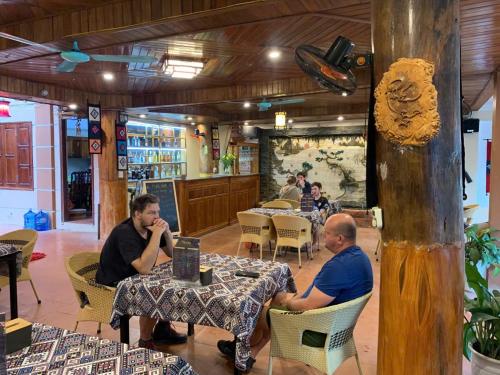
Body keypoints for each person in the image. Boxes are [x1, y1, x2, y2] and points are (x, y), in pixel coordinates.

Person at [217, 214, 373, 371]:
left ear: (339, 239)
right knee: (278, 295)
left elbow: (305, 306)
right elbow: (318, 296)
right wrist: (295, 298)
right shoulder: (361, 258)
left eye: (326, 233)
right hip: (339, 328)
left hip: (316, 331)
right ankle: (250, 354)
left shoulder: (338, 267)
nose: (321, 235)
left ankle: (241, 350)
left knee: (254, 310)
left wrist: (291, 303)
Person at [95, 193, 187, 349]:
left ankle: (162, 329)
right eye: (151, 213)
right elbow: (144, 268)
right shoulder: (124, 232)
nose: (157, 217)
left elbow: (173, 254)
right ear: (137, 214)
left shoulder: (151, 227)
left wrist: (167, 233)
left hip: (134, 276)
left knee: (170, 282)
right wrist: (157, 234)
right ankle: (145, 340)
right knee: (153, 291)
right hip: (114, 284)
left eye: (158, 212)